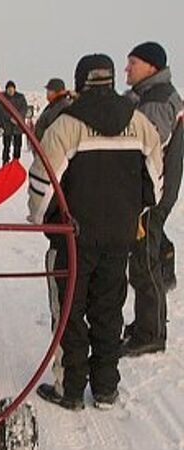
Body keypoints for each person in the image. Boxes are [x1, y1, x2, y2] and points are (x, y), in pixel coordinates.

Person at [28, 54, 162, 411]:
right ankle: (105, 388)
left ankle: (70, 389)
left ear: (79, 81)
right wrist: (130, 213)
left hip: (72, 239)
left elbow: (43, 183)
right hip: (119, 238)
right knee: (109, 309)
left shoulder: (65, 126)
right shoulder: (140, 123)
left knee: (68, 311)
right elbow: (156, 184)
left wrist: (43, 221)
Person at [122, 41, 184, 357]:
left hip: (151, 195)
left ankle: (151, 333)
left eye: (132, 63)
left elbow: (145, 149)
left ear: (151, 66)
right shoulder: (152, 95)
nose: (126, 69)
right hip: (155, 192)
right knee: (145, 257)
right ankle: (147, 322)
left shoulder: (157, 101)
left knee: (144, 263)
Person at [0, 80, 29, 164]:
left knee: (18, 145)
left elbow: (24, 109)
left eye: (12, 89)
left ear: (14, 89)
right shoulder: (2, 97)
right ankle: (5, 161)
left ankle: (16, 161)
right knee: (6, 145)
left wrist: (17, 118)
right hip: (7, 126)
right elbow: (1, 110)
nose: (10, 91)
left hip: (18, 126)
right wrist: (10, 118)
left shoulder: (20, 97)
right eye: (9, 89)